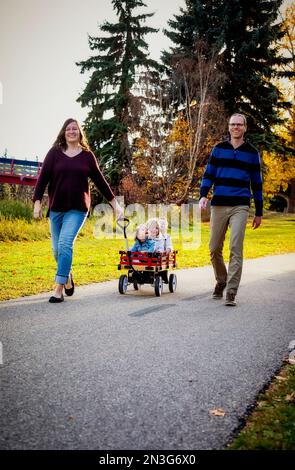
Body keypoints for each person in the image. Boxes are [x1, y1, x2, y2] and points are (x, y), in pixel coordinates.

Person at [33, 118, 123, 303]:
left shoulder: (87, 156)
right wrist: (36, 202)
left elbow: (100, 181)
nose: (72, 131)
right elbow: (42, 179)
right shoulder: (54, 153)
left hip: (77, 209)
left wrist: (115, 204)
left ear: (80, 133)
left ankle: (58, 289)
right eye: (68, 129)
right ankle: (68, 277)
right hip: (56, 208)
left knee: (66, 244)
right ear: (63, 132)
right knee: (57, 251)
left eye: (75, 129)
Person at [199, 113, 263, 306]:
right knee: (213, 248)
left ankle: (232, 291)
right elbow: (208, 174)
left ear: (245, 128)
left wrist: (259, 212)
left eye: (239, 124)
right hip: (219, 204)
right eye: (233, 124)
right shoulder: (218, 149)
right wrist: (203, 194)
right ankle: (221, 280)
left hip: (240, 205)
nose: (236, 127)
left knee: (236, 247)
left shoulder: (252, 153)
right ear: (228, 127)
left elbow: (257, 184)